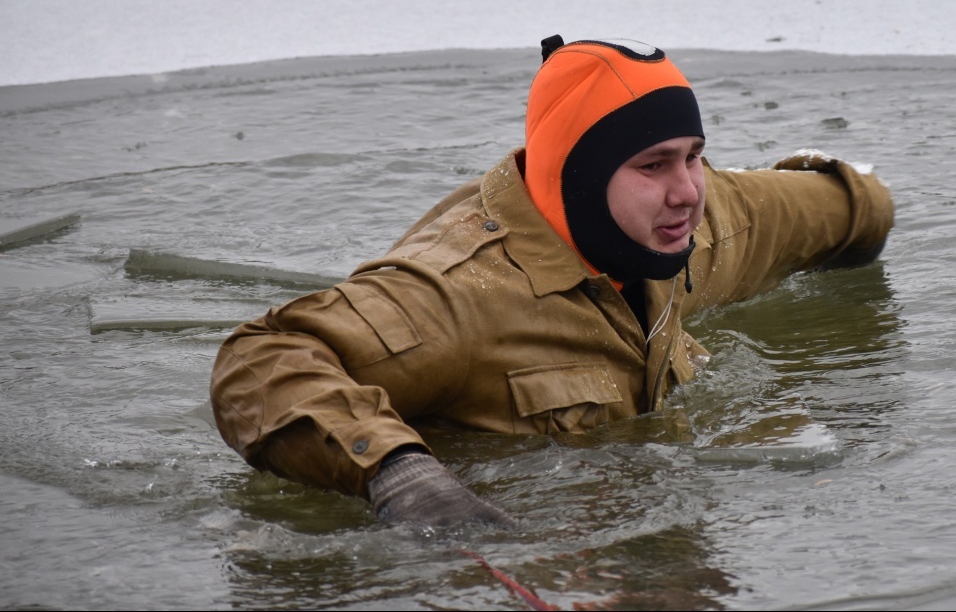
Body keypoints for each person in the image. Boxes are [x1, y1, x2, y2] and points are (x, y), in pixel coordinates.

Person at [210, 35, 895, 530]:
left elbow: (852, 205)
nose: (688, 191)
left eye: (693, 157)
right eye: (653, 165)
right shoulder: (459, 298)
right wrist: (403, 479)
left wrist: (860, 272)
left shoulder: (683, 234)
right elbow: (260, 359)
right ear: (581, 178)